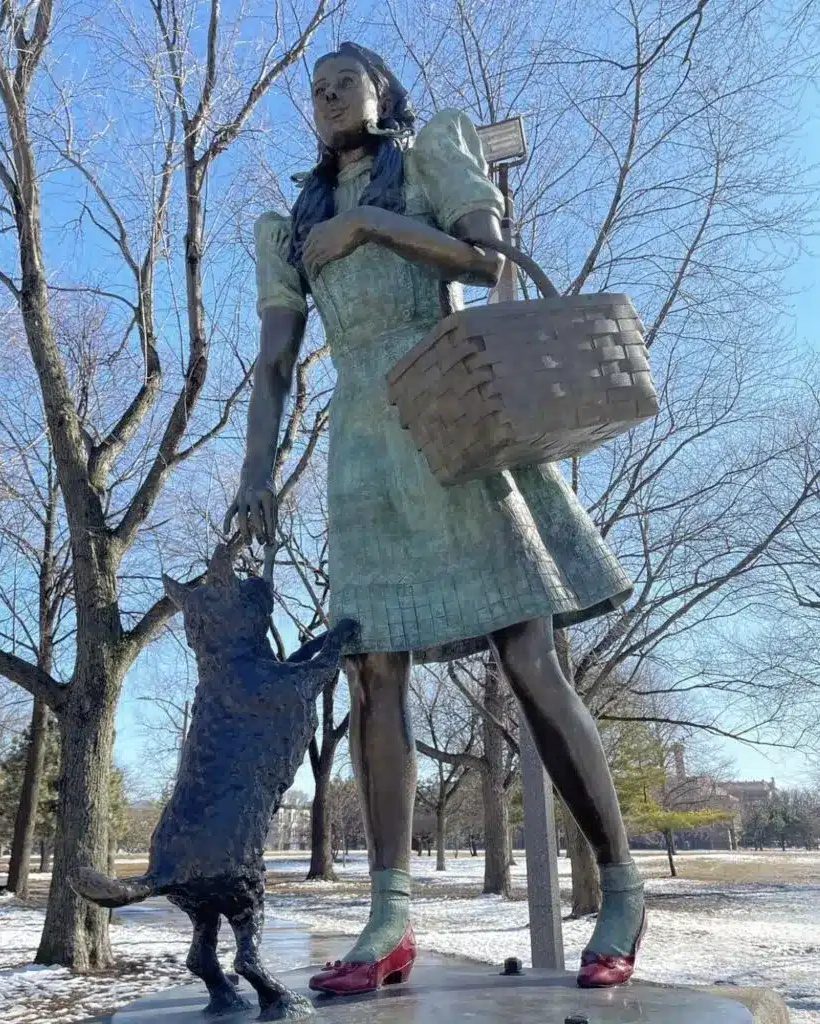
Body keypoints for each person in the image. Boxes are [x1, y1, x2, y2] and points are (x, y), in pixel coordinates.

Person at [224, 41, 645, 995]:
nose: (329, 98)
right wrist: (256, 471)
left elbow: (486, 261)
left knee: (529, 657)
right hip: (363, 452)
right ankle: (390, 915)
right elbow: (276, 361)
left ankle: (621, 886)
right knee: (374, 675)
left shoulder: (429, 158)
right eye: (316, 91)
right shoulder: (289, 223)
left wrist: (372, 224)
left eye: (346, 82)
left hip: (453, 410)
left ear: (383, 92)